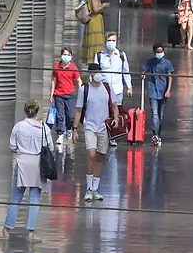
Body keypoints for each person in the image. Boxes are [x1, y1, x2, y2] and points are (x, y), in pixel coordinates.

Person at [0, 99, 53, 242]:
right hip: (38, 165)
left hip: (22, 164)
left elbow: (12, 146)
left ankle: (6, 230)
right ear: (37, 111)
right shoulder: (45, 128)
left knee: (16, 198)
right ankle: (31, 234)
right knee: (34, 200)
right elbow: (50, 147)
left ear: (25, 111)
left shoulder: (18, 126)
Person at [75, 62, 112, 202]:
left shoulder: (107, 88)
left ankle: (96, 188)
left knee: (99, 157)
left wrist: (114, 118)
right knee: (91, 154)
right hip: (89, 126)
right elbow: (78, 109)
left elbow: (114, 105)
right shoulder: (84, 89)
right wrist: (74, 129)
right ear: (90, 74)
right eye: (94, 72)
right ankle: (89, 188)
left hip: (103, 127)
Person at [95, 31, 133, 126]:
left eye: (113, 40)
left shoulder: (121, 55)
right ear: (105, 41)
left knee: (116, 113)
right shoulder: (99, 56)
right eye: (109, 40)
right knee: (104, 113)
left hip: (117, 90)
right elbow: (95, 73)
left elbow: (126, 72)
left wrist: (129, 87)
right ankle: (104, 134)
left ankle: (113, 137)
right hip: (103, 90)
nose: (111, 42)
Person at [49, 46, 82, 144]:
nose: (66, 57)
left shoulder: (73, 68)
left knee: (70, 115)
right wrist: (51, 94)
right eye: (64, 54)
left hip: (70, 95)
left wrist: (81, 93)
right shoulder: (56, 67)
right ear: (61, 55)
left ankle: (68, 129)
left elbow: (78, 81)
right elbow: (53, 81)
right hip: (58, 95)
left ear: (71, 56)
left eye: (68, 55)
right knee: (60, 115)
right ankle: (60, 134)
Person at [142, 44, 174, 145]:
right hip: (153, 92)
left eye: (161, 52)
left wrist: (168, 90)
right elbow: (144, 70)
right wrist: (143, 74)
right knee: (155, 114)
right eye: (158, 52)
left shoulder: (167, 64)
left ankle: (158, 133)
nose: (159, 54)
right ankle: (155, 134)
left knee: (161, 115)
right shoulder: (150, 62)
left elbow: (170, 77)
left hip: (163, 92)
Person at [81, 0, 106, 66]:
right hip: (95, 21)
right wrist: (103, 5)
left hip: (93, 21)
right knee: (95, 41)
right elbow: (95, 9)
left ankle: (92, 59)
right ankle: (94, 60)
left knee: (92, 41)